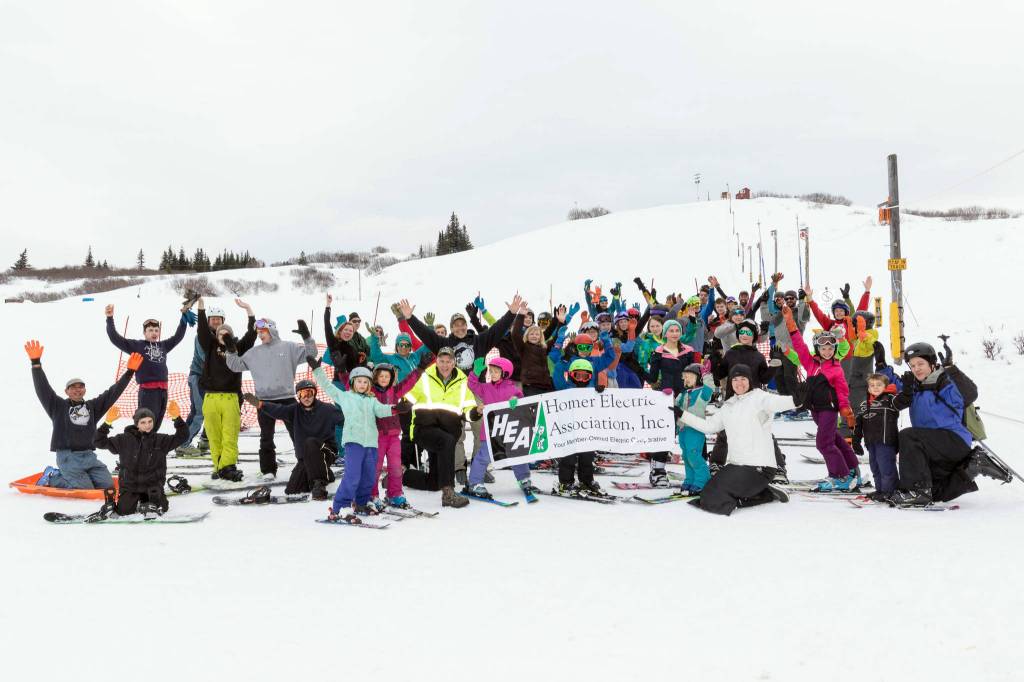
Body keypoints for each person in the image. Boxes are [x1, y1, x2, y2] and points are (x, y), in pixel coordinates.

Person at [886, 342, 1001, 506]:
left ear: (932, 363)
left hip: (952, 441)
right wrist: (882, 365)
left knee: (908, 435)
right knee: (934, 491)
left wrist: (951, 368)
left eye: (920, 364)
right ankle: (973, 465)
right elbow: (888, 388)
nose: (916, 368)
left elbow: (969, 394)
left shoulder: (944, 382)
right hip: (932, 448)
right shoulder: (914, 387)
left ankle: (917, 492)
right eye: (912, 365)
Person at [28, 339, 143, 489]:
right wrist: (36, 363)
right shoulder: (58, 406)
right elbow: (43, 389)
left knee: (107, 485)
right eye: (73, 387)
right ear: (66, 391)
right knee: (86, 489)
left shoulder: (92, 407)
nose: (77, 390)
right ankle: (53, 477)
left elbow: (113, 393)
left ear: (85, 390)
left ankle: (77, 477)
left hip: (88, 456)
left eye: (80, 387)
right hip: (68, 457)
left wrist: (130, 372)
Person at [680, 364, 793, 515]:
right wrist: (682, 415)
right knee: (707, 492)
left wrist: (796, 400)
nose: (739, 383)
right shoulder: (729, 405)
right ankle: (761, 490)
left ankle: (764, 495)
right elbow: (709, 426)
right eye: (735, 379)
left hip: (759, 467)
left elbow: (777, 402)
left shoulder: (760, 398)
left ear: (750, 380)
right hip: (737, 465)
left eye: (743, 379)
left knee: (716, 498)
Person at [225, 317, 317, 481]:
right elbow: (235, 365)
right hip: (263, 402)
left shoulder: (289, 347)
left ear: (272, 330)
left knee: (297, 434)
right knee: (266, 437)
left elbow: (311, 354)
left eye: (263, 331)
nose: (260, 335)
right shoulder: (253, 353)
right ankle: (268, 470)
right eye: (258, 332)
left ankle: (307, 464)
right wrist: (231, 351)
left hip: (287, 399)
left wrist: (307, 337)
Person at [309, 362, 403, 516]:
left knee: (369, 477)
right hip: (354, 442)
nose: (362, 384)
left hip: (371, 444)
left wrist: (396, 408)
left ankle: (361, 503)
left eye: (366, 382)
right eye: (359, 381)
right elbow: (328, 387)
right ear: (352, 382)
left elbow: (381, 410)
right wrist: (317, 370)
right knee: (352, 476)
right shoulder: (345, 396)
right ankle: (341, 507)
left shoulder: (371, 400)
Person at [782, 305, 860, 491]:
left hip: (829, 410)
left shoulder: (836, 368)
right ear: (817, 349)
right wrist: (791, 324)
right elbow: (800, 346)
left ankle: (840, 476)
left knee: (824, 443)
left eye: (830, 348)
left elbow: (842, 391)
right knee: (835, 439)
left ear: (834, 349)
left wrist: (846, 410)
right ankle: (852, 470)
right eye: (823, 348)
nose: (827, 351)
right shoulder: (810, 364)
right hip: (816, 410)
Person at [179, 299, 255, 455]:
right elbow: (207, 358)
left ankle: (206, 439)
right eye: (212, 319)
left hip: (215, 382)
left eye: (218, 319)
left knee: (214, 411)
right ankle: (183, 444)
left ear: (223, 321)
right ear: (208, 321)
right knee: (199, 412)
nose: (215, 322)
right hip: (199, 377)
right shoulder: (206, 340)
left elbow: (250, 336)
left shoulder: (229, 342)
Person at [402, 347, 476, 508]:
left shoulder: (463, 382)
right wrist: (400, 404)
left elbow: (469, 410)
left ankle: (402, 476)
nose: (445, 365)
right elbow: (407, 397)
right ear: (436, 362)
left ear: (454, 363)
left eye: (448, 361)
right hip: (424, 429)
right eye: (441, 361)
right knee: (446, 441)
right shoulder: (425, 377)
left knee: (435, 482)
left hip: (447, 432)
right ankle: (448, 493)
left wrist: (476, 412)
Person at [243, 380, 342, 500]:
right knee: (293, 489)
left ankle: (319, 484)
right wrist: (260, 404)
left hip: (326, 451)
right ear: (298, 396)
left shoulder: (328, 409)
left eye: (309, 393)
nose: (306, 397)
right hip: (306, 457)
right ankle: (326, 474)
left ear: (315, 393)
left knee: (310, 442)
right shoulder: (294, 410)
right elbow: (277, 410)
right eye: (302, 394)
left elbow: (346, 421)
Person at [92, 401, 189, 515]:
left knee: (160, 507)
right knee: (124, 511)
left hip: (152, 486)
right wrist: (107, 423)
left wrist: (177, 418)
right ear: (137, 424)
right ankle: (132, 502)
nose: (147, 425)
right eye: (143, 422)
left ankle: (149, 501)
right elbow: (99, 442)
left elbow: (183, 436)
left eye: (150, 421)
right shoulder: (124, 440)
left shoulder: (161, 440)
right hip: (130, 486)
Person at [104, 303, 190, 431]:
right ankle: (137, 442)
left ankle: (151, 444)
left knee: (156, 425)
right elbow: (115, 338)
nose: (154, 332)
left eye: (156, 330)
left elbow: (178, 337)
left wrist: (184, 318)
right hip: (148, 393)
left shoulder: (163, 346)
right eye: (150, 330)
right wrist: (110, 318)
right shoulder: (138, 346)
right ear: (144, 332)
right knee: (145, 425)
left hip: (163, 391)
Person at [464, 356, 539, 502]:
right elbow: (472, 385)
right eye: (490, 371)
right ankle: (475, 483)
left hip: (509, 430)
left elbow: (521, 399)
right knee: (483, 457)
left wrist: (516, 400)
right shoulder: (486, 388)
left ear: (505, 373)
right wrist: (475, 373)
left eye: (495, 371)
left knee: (517, 454)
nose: (492, 374)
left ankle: (523, 479)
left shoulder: (512, 389)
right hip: (490, 431)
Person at [195, 300, 249, 482]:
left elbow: (251, 335)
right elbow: (202, 330)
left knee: (229, 435)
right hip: (210, 398)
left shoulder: (237, 347)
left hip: (230, 398)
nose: (222, 335)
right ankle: (219, 467)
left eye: (226, 333)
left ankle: (228, 466)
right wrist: (201, 308)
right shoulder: (210, 346)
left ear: (231, 336)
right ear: (216, 335)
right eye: (220, 333)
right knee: (213, 436)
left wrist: (249, 311)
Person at [642, 319, 696, 487]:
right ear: (665, 333)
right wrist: (635, 367)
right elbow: (652, 377)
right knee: (666, 433)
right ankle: (657, 471)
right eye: (671, 330)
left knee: (691, 432)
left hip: (685, 397)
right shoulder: (658, 352)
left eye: (677, 330)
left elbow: (694, 374)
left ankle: (696, 471)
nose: (674, 333)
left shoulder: (688, 351)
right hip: (666, 397)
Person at [368, 361, 424, 508]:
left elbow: (408, 383)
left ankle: (395, 494)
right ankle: (371, 495)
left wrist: (420, 369)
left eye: (387, 376)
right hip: (377, 436)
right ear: (375, 377)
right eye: (381, 376)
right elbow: (352, 387)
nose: (384, 379)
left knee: (395, 467)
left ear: (392, 378)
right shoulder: (370, 392)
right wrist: (342, 372)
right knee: (375, 467)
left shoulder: (395, 391)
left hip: (393, 436)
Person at [853, 368, 901, 500]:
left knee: (886, 467)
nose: (875, 387)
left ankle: (890, 491)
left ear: (885, 386)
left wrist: (906, 387)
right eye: (872, 385)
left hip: (886, 441)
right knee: (875, 467)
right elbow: (858, 425)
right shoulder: (865, 405)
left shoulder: (891, 400)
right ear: (868, 388)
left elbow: (904, 399)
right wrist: (856, 441)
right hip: (871, 442)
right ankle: (880, 490)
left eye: (879, 385)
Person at [675, 363, 715, 494]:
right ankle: (690, 479)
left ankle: (702, 480)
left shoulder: (702, 393)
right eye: (684, 377)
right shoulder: (683, 394)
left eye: (689, 377)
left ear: (698, 378)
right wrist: (666, 397)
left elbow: (710, 388)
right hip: (683, 429)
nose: (686, 379)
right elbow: (674, 406)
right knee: (686, 456)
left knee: (694, 455)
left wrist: (707, 375)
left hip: (695, 428)